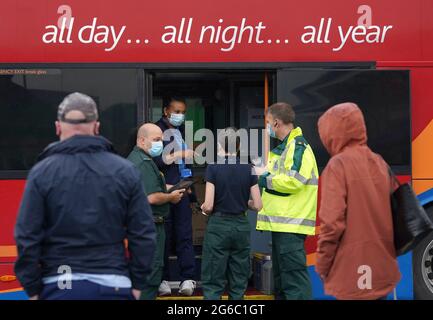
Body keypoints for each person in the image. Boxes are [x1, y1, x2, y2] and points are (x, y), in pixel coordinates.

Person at [14, 92, 156, 300]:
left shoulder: (42, 172)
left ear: (58, 127)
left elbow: (26, 236)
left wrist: (33, 289)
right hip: (113, 284)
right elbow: (143, 234)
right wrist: (137, 284)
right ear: (97, 127)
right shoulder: (125, 171)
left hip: (60, 285)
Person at [315, 102, 401, 300]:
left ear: (331, 133)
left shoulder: (338, 165)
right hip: (381, 268)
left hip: (353, 271)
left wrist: (322, 264)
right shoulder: (379, 161)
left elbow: (332, 224)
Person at [255, 102, 319, 300]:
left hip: (291, 224)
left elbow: (293, 181)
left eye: (267, 122)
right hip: (283, 224)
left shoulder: (297, 147)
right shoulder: (285, 149)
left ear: (276, 123)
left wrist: (262, 177)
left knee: (293, 282)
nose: (266, 127)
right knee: (282, 281)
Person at [200, 127, 262, 300]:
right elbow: (257, 205)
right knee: (239, 280)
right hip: (241, 226)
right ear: (239, 145)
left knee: (213, 281)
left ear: (219, 144)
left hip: (218, 226)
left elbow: (209, 205)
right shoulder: (249, 167)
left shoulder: (213, 167)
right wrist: (243, 203)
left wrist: (203, 207)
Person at [127, 123, 185, 299]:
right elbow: (151, 197)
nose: (160, 143)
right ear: (142, 140)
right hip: (150, 226)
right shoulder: (143, 163)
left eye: (161, 140)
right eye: (156, 140)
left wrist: (172, 188)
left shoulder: (139, 159)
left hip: (143, 226)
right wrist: (171, 197)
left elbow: (153, 187)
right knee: (151, 276)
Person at [154, 97, 197, 296]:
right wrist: (177, 155)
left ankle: (187, 279)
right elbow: (155, 162)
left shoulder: (180, 132)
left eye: (183, 111)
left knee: (184, 234)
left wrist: (191, 192)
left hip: (182, 192)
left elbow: (186, 166)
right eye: (176, 111)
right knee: (164, 236)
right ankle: (162, 279)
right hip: (164, 193)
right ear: (165, 111)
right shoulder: (156, 131)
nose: (180, 115)